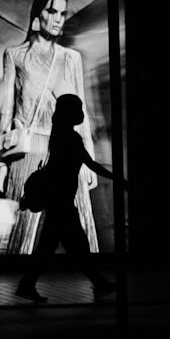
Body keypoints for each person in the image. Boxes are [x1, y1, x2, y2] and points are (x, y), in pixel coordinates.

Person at [0, 0, 98, 255]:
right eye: (52, 11)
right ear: (37, 14)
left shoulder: (70, 58)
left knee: (80, 224)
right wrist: (2, 160)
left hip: (65, 151)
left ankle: (93, 279)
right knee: (21, 236)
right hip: (27, 151)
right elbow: (7, 110)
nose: (58, 19)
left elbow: (81, 111)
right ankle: (20, 283)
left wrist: (90, 159)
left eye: (63, 13)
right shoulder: (15, 55)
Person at [16, 94, 124, 304]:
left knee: (55, 247)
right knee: (74, 246)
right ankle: (98, 283)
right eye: (78, 108)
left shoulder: (59, 135)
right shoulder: (71, 138)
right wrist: (117, 178)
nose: (81, 112)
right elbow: (89, 164)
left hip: (59, 200)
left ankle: (27, 285)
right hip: (62, 201)